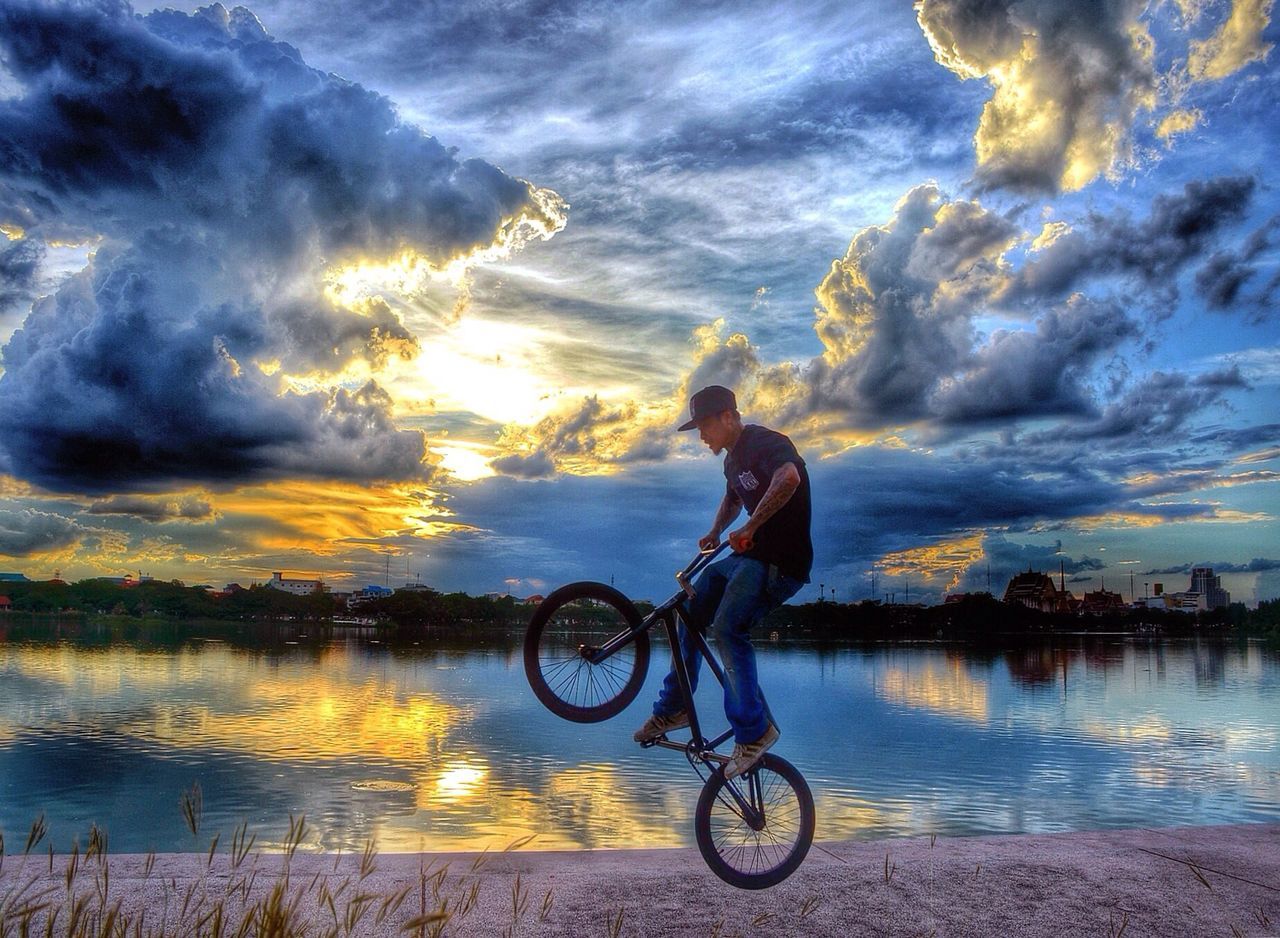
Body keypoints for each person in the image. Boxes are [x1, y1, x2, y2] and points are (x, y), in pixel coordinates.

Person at [633, 385, 812, 778]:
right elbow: (733, 497)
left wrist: (751, 525)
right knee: (689, 613)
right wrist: (717, 530)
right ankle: (674, 709)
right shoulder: (732, 462)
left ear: (729, 417)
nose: (702, 436)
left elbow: (789, 478)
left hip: (781, 562)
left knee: (728, 627)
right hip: (748, 557)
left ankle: (755, 731)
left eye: (705, 426)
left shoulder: (766, 442)